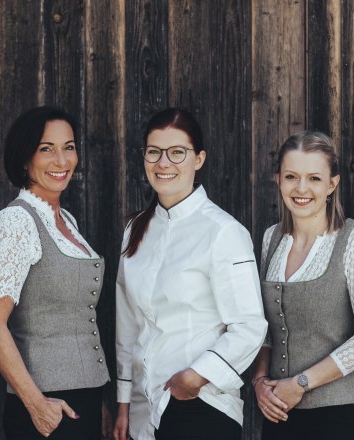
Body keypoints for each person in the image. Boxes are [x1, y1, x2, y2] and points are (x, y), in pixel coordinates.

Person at [113, 108, 267, 440]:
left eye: (177, 152)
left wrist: (196, 376)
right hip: (145, 410)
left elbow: (250, 326)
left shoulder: (223, 232)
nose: (163, 163)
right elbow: (127, 325)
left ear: (198, 159)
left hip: (202, 404)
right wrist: (124, 402)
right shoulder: (135, 230)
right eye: (154, 152)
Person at [0, 106, 111, 440]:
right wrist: (37, 405)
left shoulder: (67, 221)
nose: (61, 160)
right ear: (25, 159)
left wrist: (98, 400)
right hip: (47, 407)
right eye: (46, 149)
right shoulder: (16, 222)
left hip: (86, 400)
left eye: (69, 147)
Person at [252, 131, 354, 440]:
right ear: (279, 180)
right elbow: (267, 330)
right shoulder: (271, 239)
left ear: (332, 184)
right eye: (291, 176)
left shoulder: (353, 238)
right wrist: (259, 382)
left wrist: (300, 383)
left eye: (314, 178)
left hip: (340, 417)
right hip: (279, 416)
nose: (301, 189)